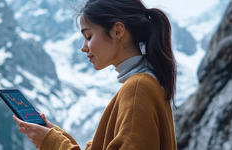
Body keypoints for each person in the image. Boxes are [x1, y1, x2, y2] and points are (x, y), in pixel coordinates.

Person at [13, 0, 177, 149]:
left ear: (117, 31)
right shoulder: (146, 83)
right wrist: (53, 134)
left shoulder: (137, 89)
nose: (84, 47)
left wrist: (50, 143)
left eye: (89, 36)